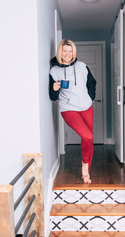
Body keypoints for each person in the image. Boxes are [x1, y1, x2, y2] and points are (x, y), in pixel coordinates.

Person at [49, 39, 96, 184]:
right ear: (60, 52)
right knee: (87, 136)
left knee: (89, 139)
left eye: (70, 51)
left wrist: (90, 98)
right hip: (68, 108)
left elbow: (92, 83)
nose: (67, 54)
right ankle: (84, 168)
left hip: (86, 107)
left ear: (74, 52)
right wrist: (55, 89)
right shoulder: (54, 71)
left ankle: (86, 171)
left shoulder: (82, 66)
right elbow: (52, 96)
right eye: (64, 51)